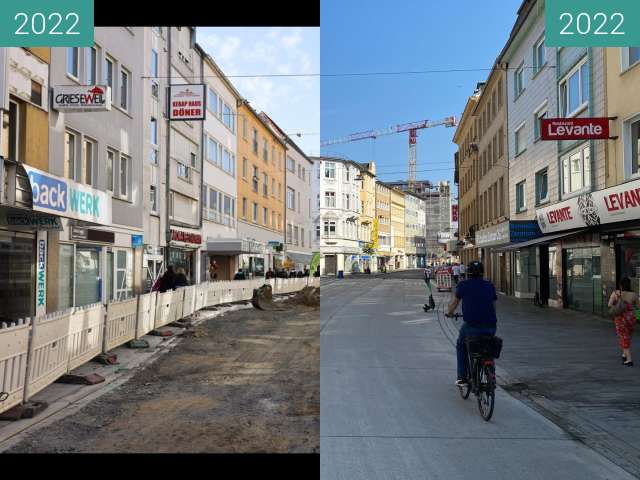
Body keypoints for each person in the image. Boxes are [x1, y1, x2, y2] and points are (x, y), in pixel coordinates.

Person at [445, 260, 497, 386]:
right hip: (490, 326)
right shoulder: (490, 286)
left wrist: (450, 313)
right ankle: (491, 374)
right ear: (482, 273)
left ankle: (462, 377)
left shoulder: (463, 285)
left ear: (468, 273)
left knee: (461, 345)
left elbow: (454, 304)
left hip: (471, 326)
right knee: (488, 348)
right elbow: (493, 306)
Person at [608, 277, 639, 366]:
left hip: (620, 319)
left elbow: (609, 305)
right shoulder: (634, 295)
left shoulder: (616, 293)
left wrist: (617, 304)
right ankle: (624, 354)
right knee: (627, 337)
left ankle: (629, 360)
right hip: (631, 319)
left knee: (623, 338)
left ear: (620, 285)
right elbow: (638, 307)